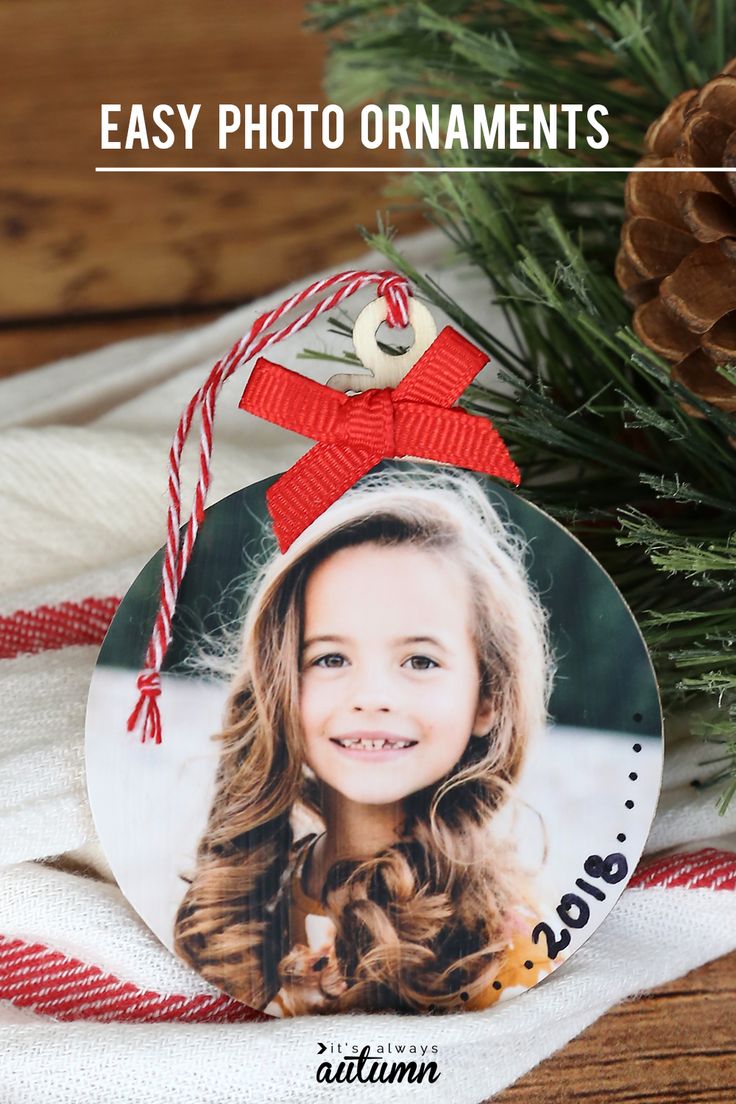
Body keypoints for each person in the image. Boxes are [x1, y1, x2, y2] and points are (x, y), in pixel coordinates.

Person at [174, 466, 554, 1015]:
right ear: (278, 686)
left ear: (487, 698)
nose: (372, 696)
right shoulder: (235, 907)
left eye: (420, 660)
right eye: (330, 658)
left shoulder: (506, 943)